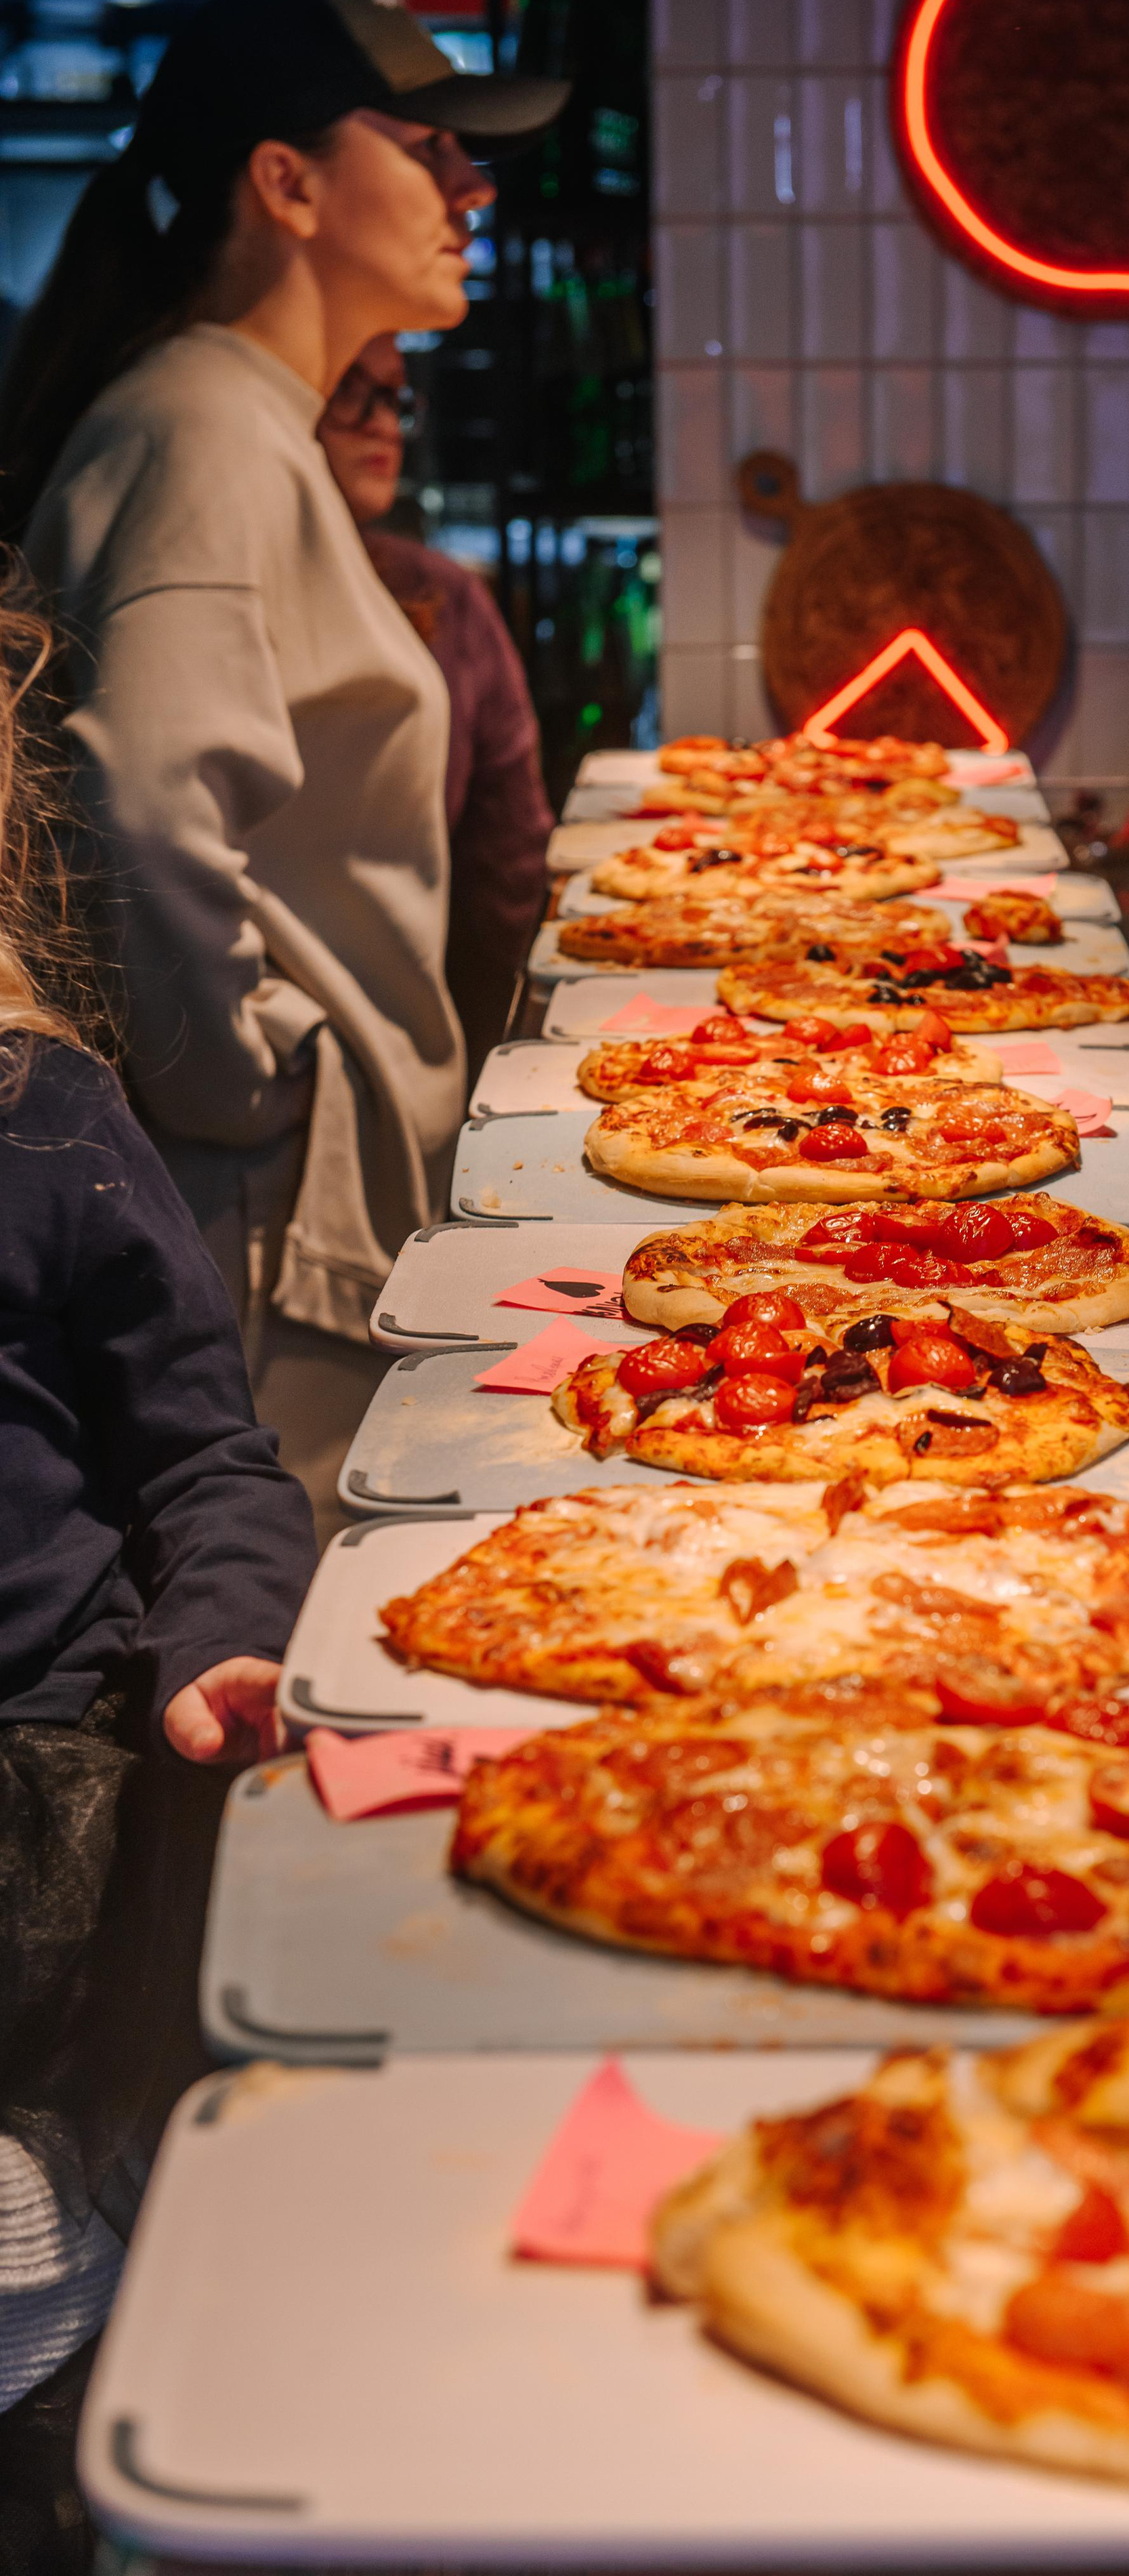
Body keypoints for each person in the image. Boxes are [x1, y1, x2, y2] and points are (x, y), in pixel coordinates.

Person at [0, 0, 566, 1536]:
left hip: (277, 1181)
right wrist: (252, 1093)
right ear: (287, 181)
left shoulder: (235, 419)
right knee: (284, 1642)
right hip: (252, 1206)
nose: (472, 188)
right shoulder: (205, 429)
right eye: (428, 145)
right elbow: (146, 808)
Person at [0, 585, 320, 2571]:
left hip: (49, 1790)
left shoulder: (44, 1119)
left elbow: (206, 1454)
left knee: (65, 2387)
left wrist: (222, 1639)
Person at [320, 335, 554, 1074]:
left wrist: (518, 1038)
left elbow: (510, 849)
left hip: (423, 1010)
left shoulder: (446, 594)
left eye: (395, 397)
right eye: (349, 391)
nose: (381, 422)